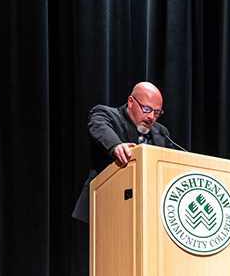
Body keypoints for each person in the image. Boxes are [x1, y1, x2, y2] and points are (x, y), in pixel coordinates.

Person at [72, 82, 183, 223]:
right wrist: (116, 146)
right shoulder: (107, 115)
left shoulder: (161, 132)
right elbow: (99, 127)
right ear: (130, 102)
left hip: (142, 215)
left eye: (156, 112)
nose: (151, 117)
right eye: (147, 108)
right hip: (101, 207)